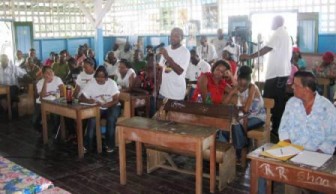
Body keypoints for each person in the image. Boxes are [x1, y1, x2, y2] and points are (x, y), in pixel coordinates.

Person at [278, 71, 336, 193]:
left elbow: (332, 137)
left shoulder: (327, 107)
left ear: (307, 89)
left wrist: (317, 155)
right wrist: (289, 149)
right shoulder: (291, 103)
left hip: (318, 158)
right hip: (293, 155)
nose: (292, 87)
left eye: (296, 85)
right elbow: (283, 129)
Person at [240, 15, 292, 136]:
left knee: (269, 101)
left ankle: (272, 129)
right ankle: (276, 129)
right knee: (277, 102)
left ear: (277, 22)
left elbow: (266, 49)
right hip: (281, 73)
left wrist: (249, 56)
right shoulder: (285, 34)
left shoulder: (278, 33)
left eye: (272, 21)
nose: (271, 24)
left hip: (276, 74)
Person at [223, 66, 265, 163]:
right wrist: (232, 92)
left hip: (257, 117)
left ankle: (239, 151)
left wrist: (237, 93)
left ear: (249, 81)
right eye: (240, 81)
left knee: (236, 125)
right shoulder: (237, 87)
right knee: (230, 125)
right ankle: (244, 145)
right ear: (238, 79)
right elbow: (224, 104)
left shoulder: (253, 87)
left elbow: (246, 109)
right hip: (245, 118)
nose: (242, 85)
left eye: (245, 82)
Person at [79, 66, 120, 153]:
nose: (100, 79)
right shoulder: (91, 83)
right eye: (98, 76)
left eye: (102, 77)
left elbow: (116, 100)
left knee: (111, 118)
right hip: (98, 106)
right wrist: (89, 101)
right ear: (95, 76)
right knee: (92, 119)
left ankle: (110, 145)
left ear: (106, 77)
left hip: (112, 105)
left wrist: (107, 104)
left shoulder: (111, 83)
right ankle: (87, 145)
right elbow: (81, 97)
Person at [158, 27, 190, 101]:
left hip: (176, 93)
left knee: (175, 113)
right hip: (163, 91)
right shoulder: (166, 49)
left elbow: (180, 71)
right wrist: (158, 86)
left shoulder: (185, 52)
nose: (173, 37)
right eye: (171, 35)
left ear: (181, 38)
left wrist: (167, 57)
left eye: (176, 36)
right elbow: (162, 69)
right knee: (161, 112)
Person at [32, 66, 64, 132]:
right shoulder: (40, 82)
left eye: (51, 71)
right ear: (43, 74)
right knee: (35, 122)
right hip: (41, 103)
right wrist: (45, 82)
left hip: (55, 102)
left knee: (56, 118)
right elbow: (42, 96)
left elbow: (62, 92)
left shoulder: (57, 79)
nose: (50, 73)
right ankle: (43, 133)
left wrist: (57, 98)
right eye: (47, 72)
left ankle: (55, 132)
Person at [0, 54, 26, 119]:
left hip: (13, 86)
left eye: (5, 59)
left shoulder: (13, 67)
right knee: (3, 95)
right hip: (2, 88)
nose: (4, 61)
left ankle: (8, 108)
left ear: (8, 60)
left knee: (9, 93)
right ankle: (7, 108)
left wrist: (27, 77)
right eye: (2, 59)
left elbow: (23, 73)